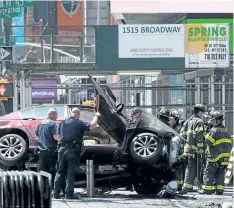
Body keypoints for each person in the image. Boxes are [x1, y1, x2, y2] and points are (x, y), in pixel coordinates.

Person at [53, 107, 100, 199]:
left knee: (60, 171)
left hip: (61, 148)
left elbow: (56, 136)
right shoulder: (78, 122)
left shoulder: (62, 123)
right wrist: (96, 116)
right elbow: (92, 126)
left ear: (71, 113)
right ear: (78, 115)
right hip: (72, 149)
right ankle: (69, 194)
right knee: (71, 171)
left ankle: (56, 193)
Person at [198, 111, 232, 195]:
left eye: (212, 120)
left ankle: (207, 190)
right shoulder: (226, 130)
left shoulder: (214, 130)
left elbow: (208, 142)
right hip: (225, 157)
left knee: (209, 172)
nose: (211, 122)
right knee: (220, 173)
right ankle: (219, 190)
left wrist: (206, 134)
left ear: (217, 121)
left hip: (215, 156)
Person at [181, 104, 206, 193]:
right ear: (199, 112)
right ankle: (188, 186)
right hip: (195, 150)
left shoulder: (187, 121)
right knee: (193, 167)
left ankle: (188, 186)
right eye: (203, 112)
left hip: (187, 149)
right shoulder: (199, 121)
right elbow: (199, 136)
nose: (203, 115)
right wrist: (200, 148)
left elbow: (182, 135)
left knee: (190, 166)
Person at [35, 108, 60, 178]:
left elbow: (36, 133)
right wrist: (61, 138)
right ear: (52, 114)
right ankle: (53, 188)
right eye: (56, 115)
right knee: (54, 171)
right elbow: (55, 137)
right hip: (51, 152)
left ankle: (43, 188)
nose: (57, 117)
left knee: (42, 173)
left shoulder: (41, 123)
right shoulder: (53, 123)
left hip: (41, 152)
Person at [170, 109, 184, 191]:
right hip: (172, 153)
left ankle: (178, 186)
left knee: (178, 170)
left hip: (178, 153)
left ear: (176, 120)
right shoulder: (169, 127)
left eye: (171, 119)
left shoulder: (179, 128)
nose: (170, 121)